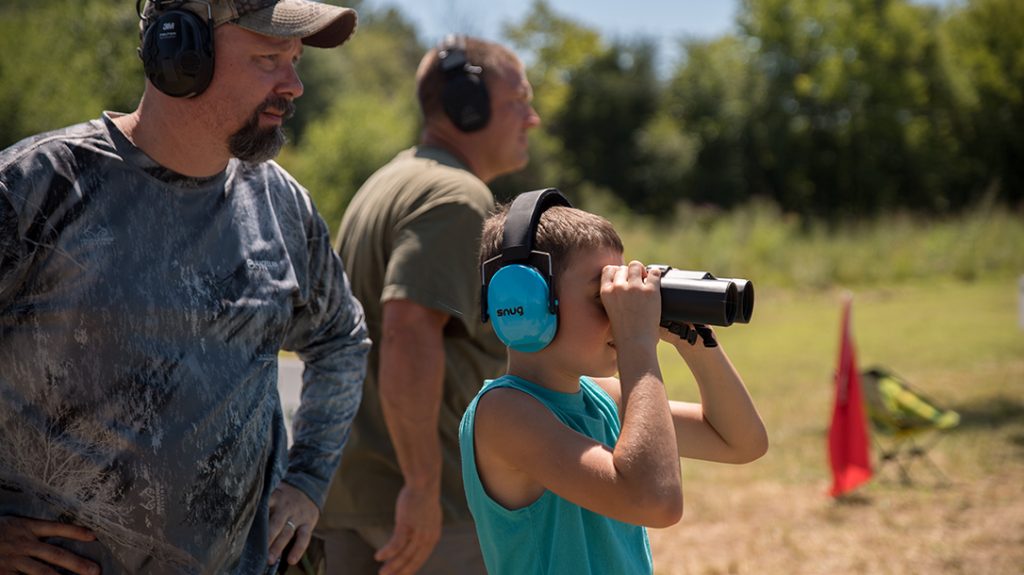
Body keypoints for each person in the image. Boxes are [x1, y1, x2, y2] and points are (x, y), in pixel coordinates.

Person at [0, 1, 370, 573]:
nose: (293, 85)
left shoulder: (280, 204)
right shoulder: (38, 187)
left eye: (294, 60)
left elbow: (341, 339)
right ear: (179, 52)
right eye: (269, 57)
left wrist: (309, 481)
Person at [316, 36, 541, 575]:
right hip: (424, 505)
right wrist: (421, 488)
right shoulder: (456, 198)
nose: (531, 119)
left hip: (356, 490)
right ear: (470, 108)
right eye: (519, 102)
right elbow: (407, 333)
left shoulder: (387, 181)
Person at [459, 190, 770, 574]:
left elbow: (741, 442)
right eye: (601, 297)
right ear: (526, 303)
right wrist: (636, 344)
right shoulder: (503, 413)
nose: (620, 312)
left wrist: (696, 341)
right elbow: (655, 501)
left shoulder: (599, 397)